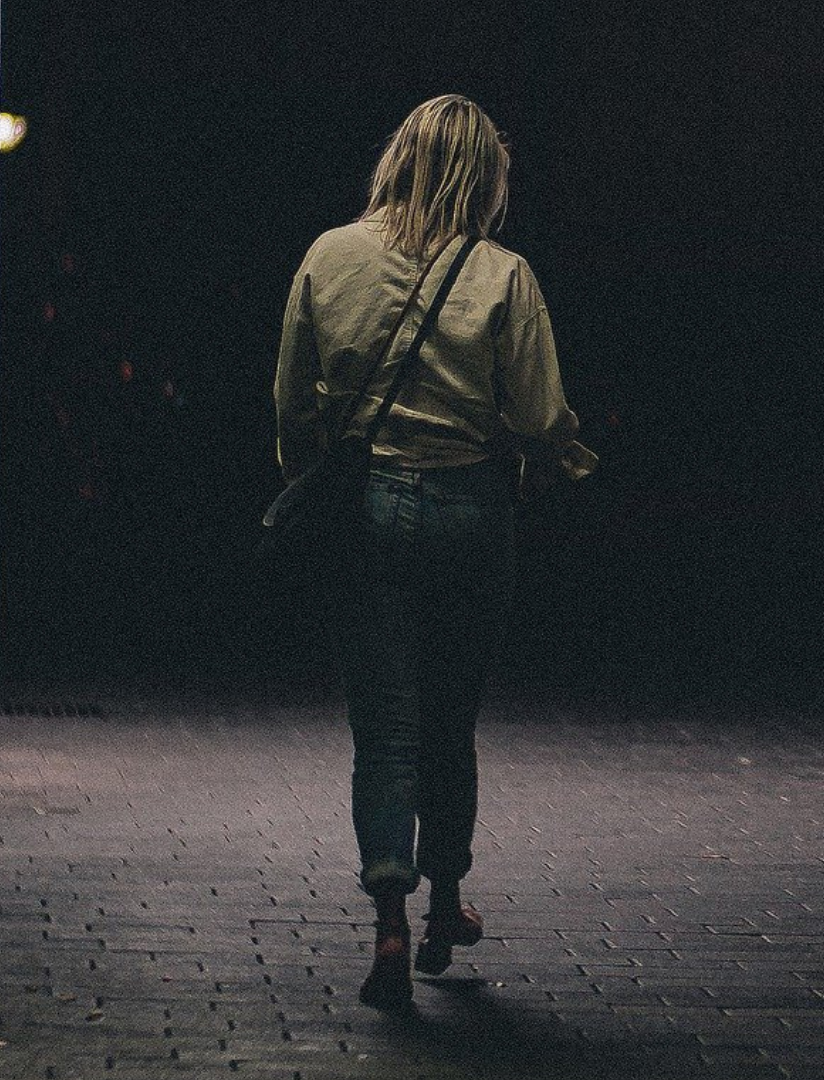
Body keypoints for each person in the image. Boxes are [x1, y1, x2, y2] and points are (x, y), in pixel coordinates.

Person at [273, 95, 589, 1009]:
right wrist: (568, 456)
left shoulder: (329, 255)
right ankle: (448, 900)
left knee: (385, 727)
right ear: (484, 175)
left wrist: (313, 483)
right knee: (452, 720)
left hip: (367, 509)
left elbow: (295, 402)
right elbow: (537, 416)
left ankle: (387, 920)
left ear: (399, 160)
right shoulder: (504, 274)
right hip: (472, 511)